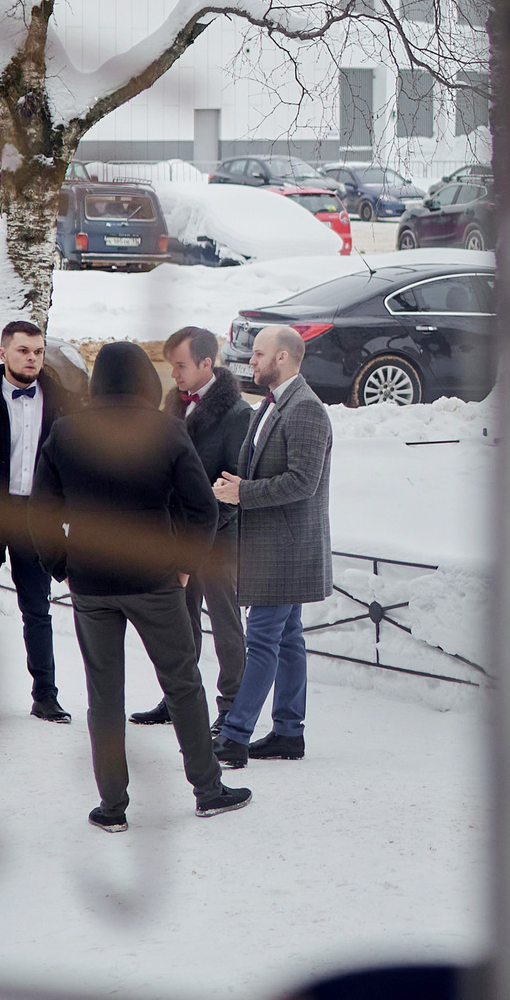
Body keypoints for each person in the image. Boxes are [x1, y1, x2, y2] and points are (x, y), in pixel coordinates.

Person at [31, 340, 251, 830]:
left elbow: (41, 510)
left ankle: (112, 807)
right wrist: (185, 564)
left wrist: (60, 564)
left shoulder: (67, 431)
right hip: (154, 579)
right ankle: (208, 789)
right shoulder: (167, 429)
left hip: (91, 582)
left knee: (103, 697)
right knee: (183, 685)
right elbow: (204, 508)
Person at [211, 324, 331, 768]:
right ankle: (287, 732)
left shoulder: (306, 410)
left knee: (262, 640)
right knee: (288, 638)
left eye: (259, 353)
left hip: (287, 547)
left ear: (282, 358)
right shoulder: (269, 405)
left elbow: (304, 482)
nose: (251, 360)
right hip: (271, 543)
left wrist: (244, 493)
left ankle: (236, 736)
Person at [131, 326, 251, 728]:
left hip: (218, 537)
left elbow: (234, 484)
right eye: (171, 366)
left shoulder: (237, 414)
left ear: (206, 363)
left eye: (180, 366)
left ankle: (231, 707)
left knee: (225, 623)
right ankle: (178, 698)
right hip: (176, 536)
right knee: (180, 624)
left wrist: (209, 529)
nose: (174, 375)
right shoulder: (174, 404)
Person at [0, 319, 76, 723]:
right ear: (3, 353)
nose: (32, 359)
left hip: (35, 517)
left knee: (37, 609)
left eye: (38, 352)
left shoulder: (60, 400)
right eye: (23, 351)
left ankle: (46, 695)